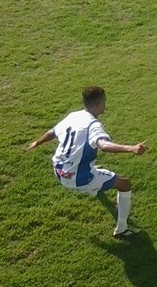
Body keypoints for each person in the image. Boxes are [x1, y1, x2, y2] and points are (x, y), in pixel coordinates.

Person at [27, 86, 148, 239]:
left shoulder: (73, 116)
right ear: (99, 104)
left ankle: (95, 182)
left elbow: (52, 132)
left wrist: (37, 143)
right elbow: (103, 146)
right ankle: (122, 230)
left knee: (96, 169)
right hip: (77, 178)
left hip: (58, 170)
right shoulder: (93, 125)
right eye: (104, 101)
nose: (105, 104)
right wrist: (131, 148)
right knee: (125, 184)